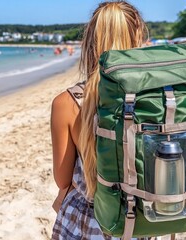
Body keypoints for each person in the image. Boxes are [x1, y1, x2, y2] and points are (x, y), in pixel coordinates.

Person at [50, 1, 149, 239]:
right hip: (141, 220)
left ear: (90, 42)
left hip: (89, 221)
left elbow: (63, 180)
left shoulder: (67, 103)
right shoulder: (154, 99)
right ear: (137, 40)